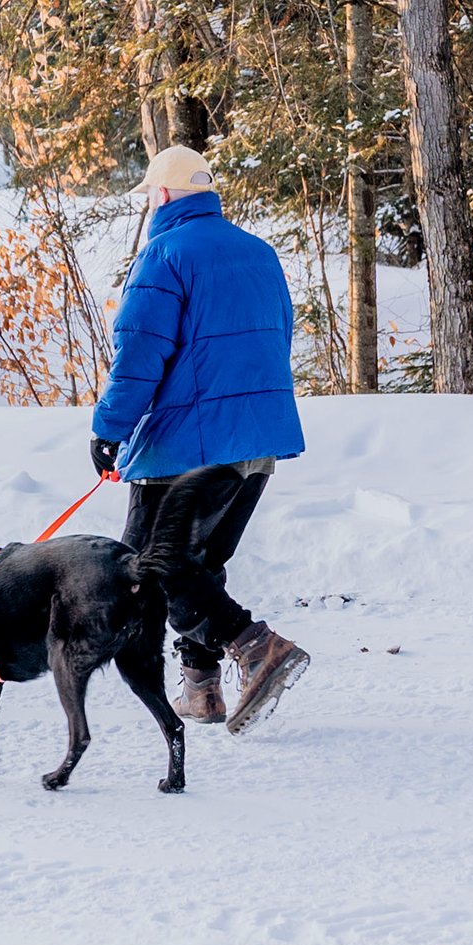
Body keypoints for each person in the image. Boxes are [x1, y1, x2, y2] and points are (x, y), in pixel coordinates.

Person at [89, 145, 311, 733]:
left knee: (150, 566)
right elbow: (277, 340)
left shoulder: (164, 255)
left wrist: (108, 429)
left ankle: (254, 646)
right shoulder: (258, 253)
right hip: (257, 446)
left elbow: (139, 357)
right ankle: (202, 689)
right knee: (201, 564)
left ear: (161, 195)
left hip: (184, 451)